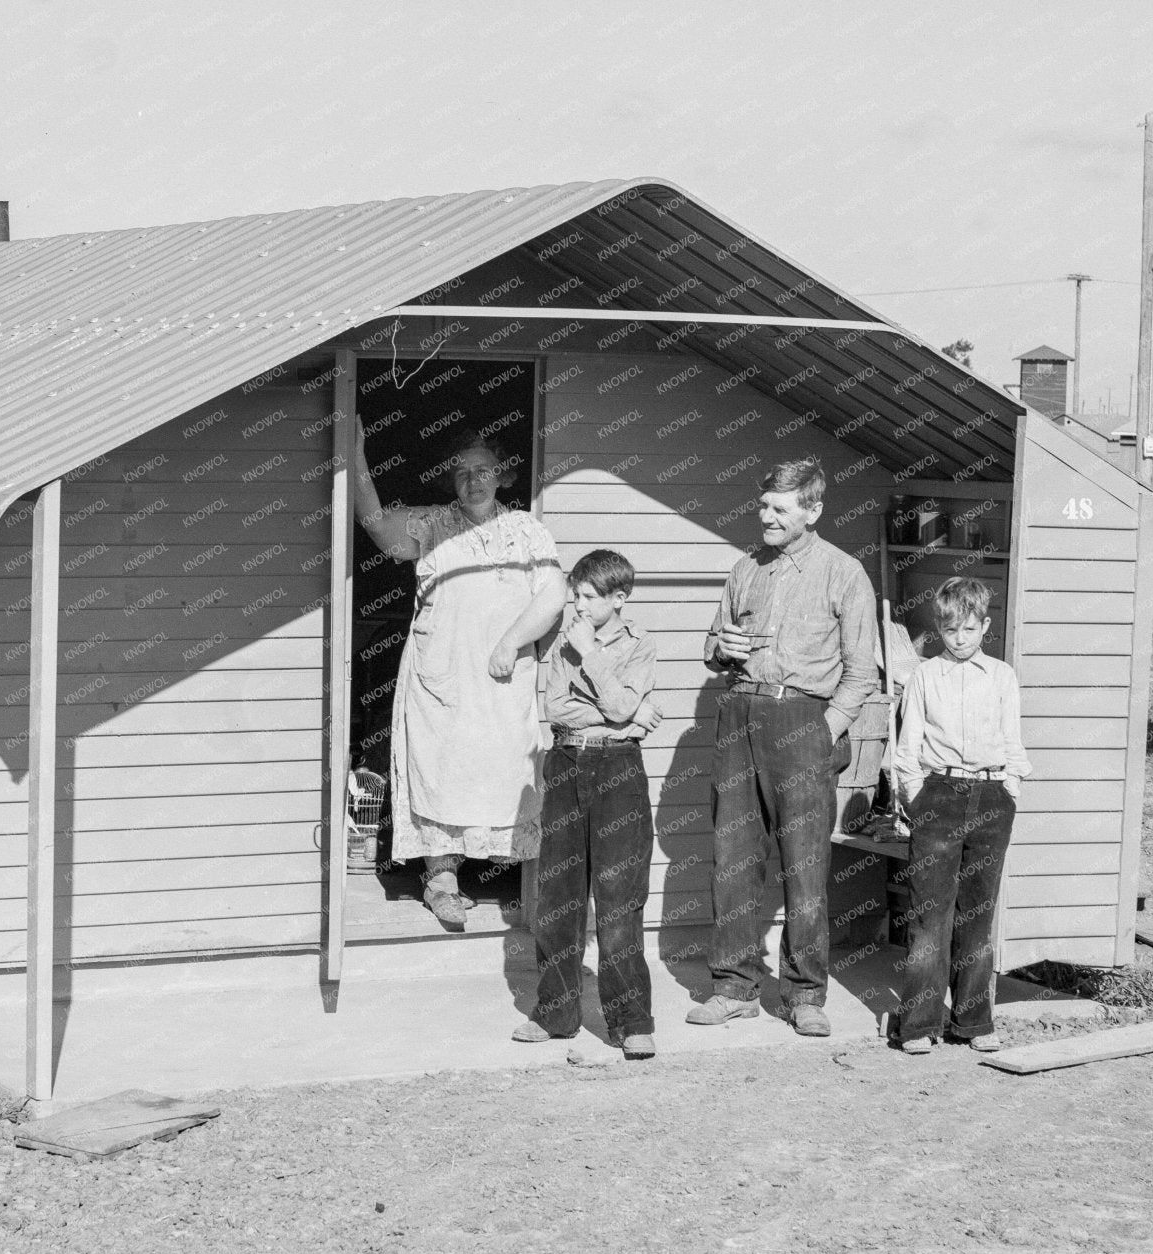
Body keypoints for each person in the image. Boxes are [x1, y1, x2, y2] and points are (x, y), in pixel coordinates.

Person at [350, 421, 567, 930]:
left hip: (501, 675)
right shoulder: (431, 523)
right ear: (451, 479)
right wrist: (356, 455)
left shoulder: (527, 530)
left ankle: (512, 880)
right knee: (440, 769)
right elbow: (379, 527)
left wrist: (511, 642)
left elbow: (553, 593)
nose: (473, 481)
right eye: (463, 472)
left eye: (484, 470)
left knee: (503, 768)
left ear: (504, 475)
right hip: (440, 672)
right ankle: (441, 881)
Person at [691, 457, 879, 1038]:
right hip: (740, 711)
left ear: (813, 510)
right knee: (734, 858)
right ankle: (733, 986)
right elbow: (711, 648)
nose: (765, 517)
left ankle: (804, 995)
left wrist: (827, 728)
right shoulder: (745, 569)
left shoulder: (844, 573)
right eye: (763, 505)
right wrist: (722, 649)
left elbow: (861, 671)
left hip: (804, 720)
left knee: (804, 866)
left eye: (779, 508)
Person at [516, 549, 664, 1056]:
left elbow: (622, 708)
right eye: (574, 595)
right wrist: (625, 710)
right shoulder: (563, 642)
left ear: (618, 598)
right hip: (565, 765)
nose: (576, 606)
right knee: (558, 897)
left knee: (619, 901)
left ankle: (631, 1023)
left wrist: (603, 676)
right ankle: (555, 1013)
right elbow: (555, 707)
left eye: (586, 597)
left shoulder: (639, 646)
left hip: (617, 770)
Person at [890, 576, 1031, 1055]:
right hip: (940, 796)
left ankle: (972, 1022)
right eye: (951, 631)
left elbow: (1014, 743)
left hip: (992, 798)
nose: (960, 640)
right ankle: (917, 1026)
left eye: (969, 630)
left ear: (985, 626)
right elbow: (906, 749)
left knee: (977, 914)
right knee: (930, 918)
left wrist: (1010, 788)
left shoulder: (1003, 676)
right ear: (940, 629)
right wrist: (917, 796)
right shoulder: (925, 676)